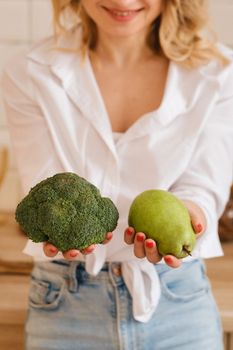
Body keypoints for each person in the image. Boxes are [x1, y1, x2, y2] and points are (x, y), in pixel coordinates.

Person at [2, 0, 233, 349]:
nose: (123, 2)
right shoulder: (30, 71)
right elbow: (46, 187)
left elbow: (204, 184)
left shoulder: (218, 72)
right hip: (64, 300)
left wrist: (192, 215)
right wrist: (62, 235)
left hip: (178, 303)